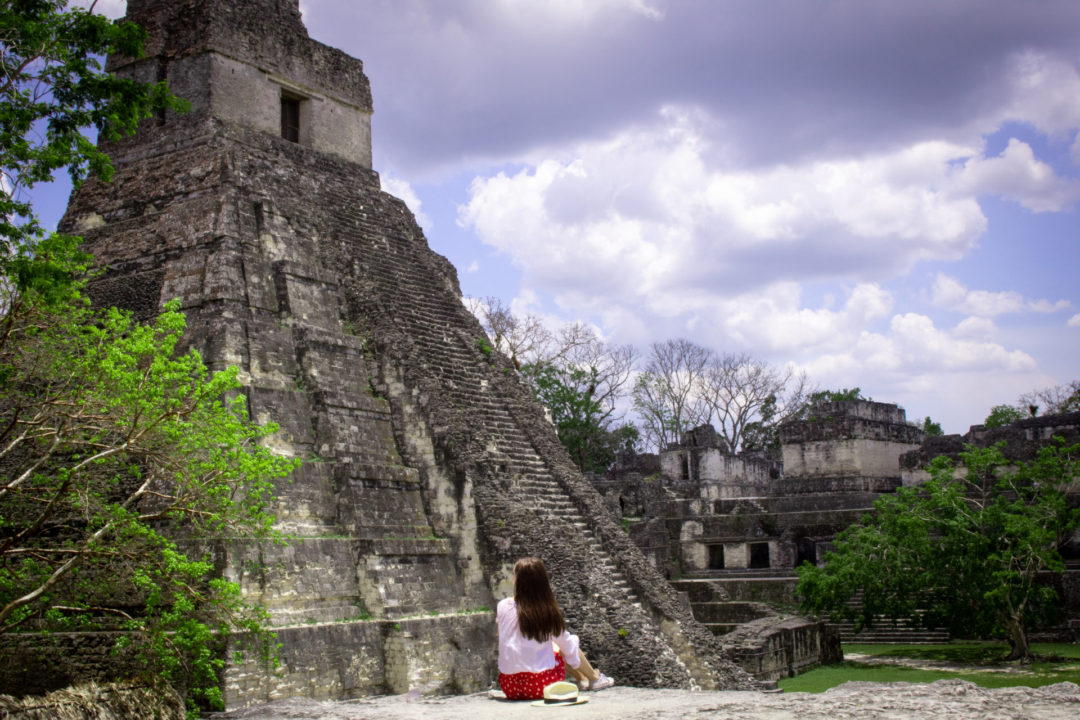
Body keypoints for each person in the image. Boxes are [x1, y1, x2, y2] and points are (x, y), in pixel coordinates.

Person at [496, 557, 615, 700]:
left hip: (510, 687)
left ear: (516, 580)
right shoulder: (545, 611)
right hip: (542, 686)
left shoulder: (502, 606)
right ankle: (594, 678)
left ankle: (583, 679)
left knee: (548, 645)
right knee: (562, 644)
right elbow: (568, 646)